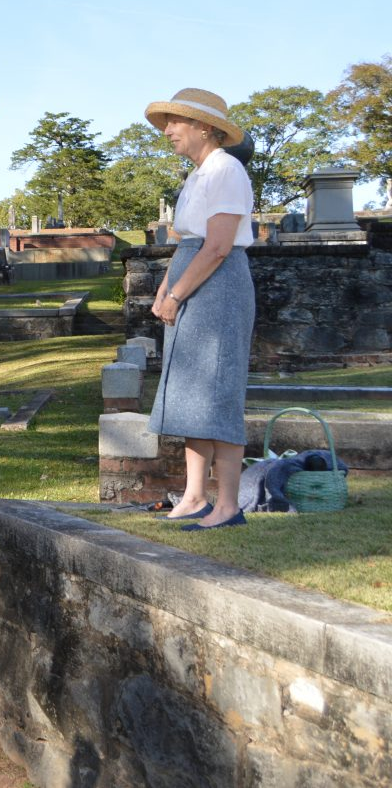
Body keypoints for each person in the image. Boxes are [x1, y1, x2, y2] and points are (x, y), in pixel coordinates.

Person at [144, 88, 256, 531]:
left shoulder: (226, 170)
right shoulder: (197, 175)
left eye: (176, 122)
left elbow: (218, 247)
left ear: (205, 127)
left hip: (219, 290)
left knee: (218, 390)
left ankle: (227, 505)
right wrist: (165, 288)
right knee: (193, 391)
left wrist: (177, 294)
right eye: (166, 122)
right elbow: (187, 243)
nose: (168, 130)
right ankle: (194, 497)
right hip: (194, 284)